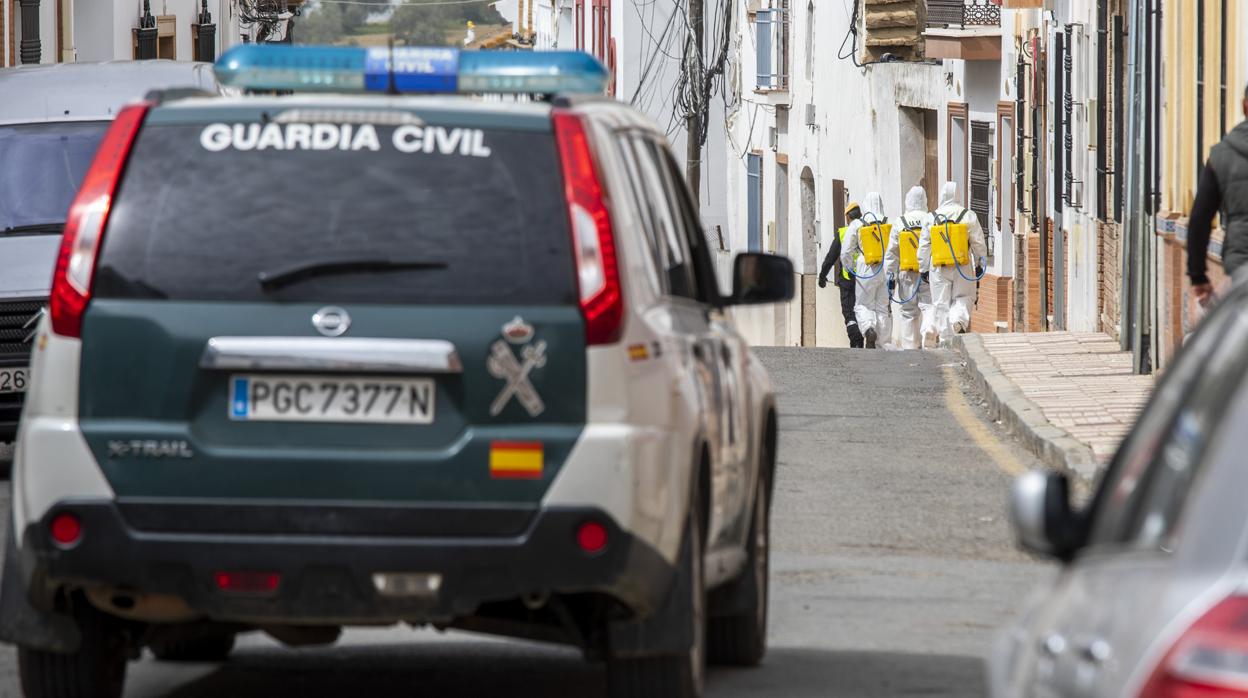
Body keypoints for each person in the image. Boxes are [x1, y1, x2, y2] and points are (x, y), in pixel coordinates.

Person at [1187, 82, 1248, 307]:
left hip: (1242, 262)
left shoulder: (1221, 156)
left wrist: (1198, 276)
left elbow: (1199, 219)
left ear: (1245, 106)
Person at [919, 182, 986, 342]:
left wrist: (923, 268)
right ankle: (958, 320)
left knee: (940, 304)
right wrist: (980, 264)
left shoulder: (931, 218)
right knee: (964, 296)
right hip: (962, 265)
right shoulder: (968, 215)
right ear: (958, 195)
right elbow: (978, 243)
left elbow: (924, 246)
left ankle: (945, 339)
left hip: (938, 267)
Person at [886, 186, 935, 349]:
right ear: (924, 201)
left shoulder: (900, 222)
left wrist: (890, 277)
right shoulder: (931, 219)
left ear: (908, 200)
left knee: (908, 311)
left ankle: (910, 347)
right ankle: (929, 330)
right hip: (927, 271)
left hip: (906, 273)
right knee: (929, 305)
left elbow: (892, 253)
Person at [841, 192, 892, 348]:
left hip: (865, 265)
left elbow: (846, 251)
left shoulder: (858, 224)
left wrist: (850, 268)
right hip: (883, 267)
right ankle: (882, 343)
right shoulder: (886, 222)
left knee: (863, 305)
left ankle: (869, 329)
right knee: (882, 307)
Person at [818, 202, 865, 348]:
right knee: (864, 309)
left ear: (848, 217)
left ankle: (856, 342)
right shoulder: (867, 230)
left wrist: (822, 276)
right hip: (866, 279)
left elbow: (830, 258)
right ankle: (865, 335)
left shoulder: (843, 232)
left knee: (849, 312)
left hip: (848, 279)